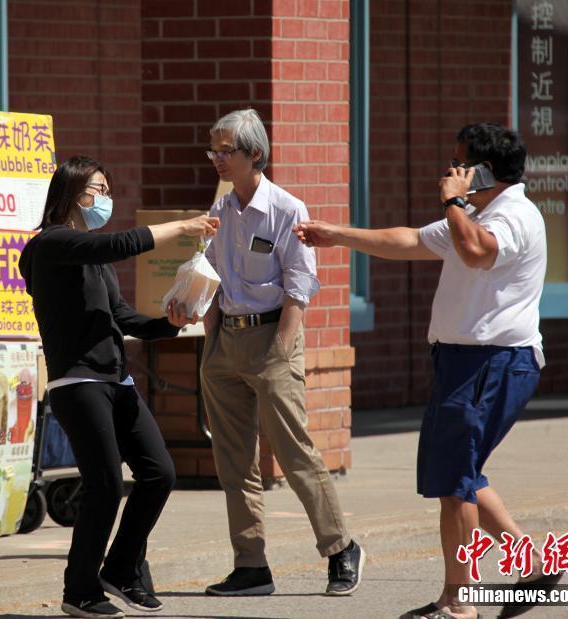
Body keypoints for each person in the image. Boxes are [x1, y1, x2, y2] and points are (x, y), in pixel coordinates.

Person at [294, 123, 554, 619]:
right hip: (461, 363)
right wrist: (335, 236)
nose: (449, 171)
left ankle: (459, 604)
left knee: (454, 482)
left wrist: (453, 202)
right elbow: (409, 240)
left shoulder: (514, 216)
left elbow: (477, 253)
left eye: (459, 163)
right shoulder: (477, 213)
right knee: (460, 472)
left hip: (492, 362)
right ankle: (535, 566)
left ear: (483, 171)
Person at [19, 155, 219, 619]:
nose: (104, 199)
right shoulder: (49, 246)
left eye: (109, 191)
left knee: (159, 473)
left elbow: (121, 317)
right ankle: (80, 590)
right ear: (70, 193)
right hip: (79, 380)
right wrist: (183, 227)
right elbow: (123, 243)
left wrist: (170, 324)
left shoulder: (93, 256)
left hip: (117, 378)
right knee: (106, 485)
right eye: (97, 190)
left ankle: (121, 569)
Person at [199, 109, 365, 599]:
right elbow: (212, 277)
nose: (217, 160)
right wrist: (209, 341)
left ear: (255, 154)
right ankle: (250, 565)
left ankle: (340, 550)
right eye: (213, 151)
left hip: (273, 340)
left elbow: (299, 286)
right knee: (233, 462)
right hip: (226, 343)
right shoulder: (222, 208)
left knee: (294, 453)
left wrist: (283, 347)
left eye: (225, 151)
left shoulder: (288, 209)